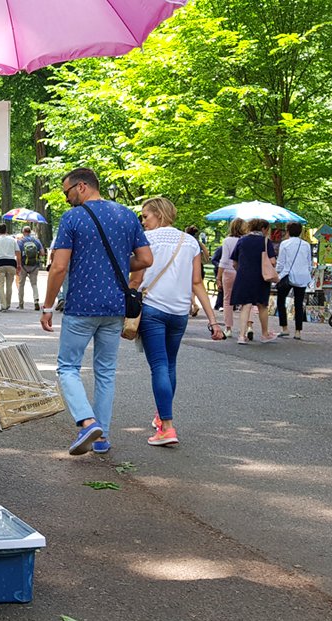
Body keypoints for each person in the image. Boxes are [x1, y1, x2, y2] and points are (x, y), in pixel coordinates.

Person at [40, 168, 153, 455]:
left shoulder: (73, 218)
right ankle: (102, 437)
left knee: (67, 367)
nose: (66, 199)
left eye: (67, 192)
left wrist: (47, 306)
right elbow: (146, 258)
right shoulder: (127, 215)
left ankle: (87, 421)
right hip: (115, 306)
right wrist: (112, 263)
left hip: (81, 306)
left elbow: (59, 266)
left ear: (81, 187)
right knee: (105, 372)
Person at [131, 198, 224, 448]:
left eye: (146, 216)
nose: (143, 221)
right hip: (179, 312)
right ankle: (162, 416)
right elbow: (197, 283)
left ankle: (167, 427)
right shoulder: (190, 242)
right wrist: (213, 321)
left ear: (158, 215)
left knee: (159, 366)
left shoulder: (146, 240)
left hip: (153, 308)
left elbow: (136, 278)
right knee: (169, 364)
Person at [231, 218, 277, 345]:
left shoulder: (242, 240)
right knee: (262, 306)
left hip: (244, 276)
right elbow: (272, 261)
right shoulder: (265, 242)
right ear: (263, 229)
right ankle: (264, 334)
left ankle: (241, 336)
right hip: (261, 277)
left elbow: (234, 262)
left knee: (245, 305)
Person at [275, 221, 312, 340]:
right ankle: (298, 331)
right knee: (299, 303)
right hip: (302, 276)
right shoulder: (306, 245)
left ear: (288, 231)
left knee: (281, 301)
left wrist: (277, 274)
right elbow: (309, 263)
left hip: (287, 275)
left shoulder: (284, 244)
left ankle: (284, 328)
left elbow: (280, 262)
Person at [16, 225, 44, 310]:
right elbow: (42, 253)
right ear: (30, 232)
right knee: (34, 284)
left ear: (23, 232)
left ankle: (21, 304)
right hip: (34, 265)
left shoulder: (20, 241)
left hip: (24, 265)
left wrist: (19, 265)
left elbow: (18, 254)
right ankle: (36, 300)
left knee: (21, 284)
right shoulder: (36, 240)